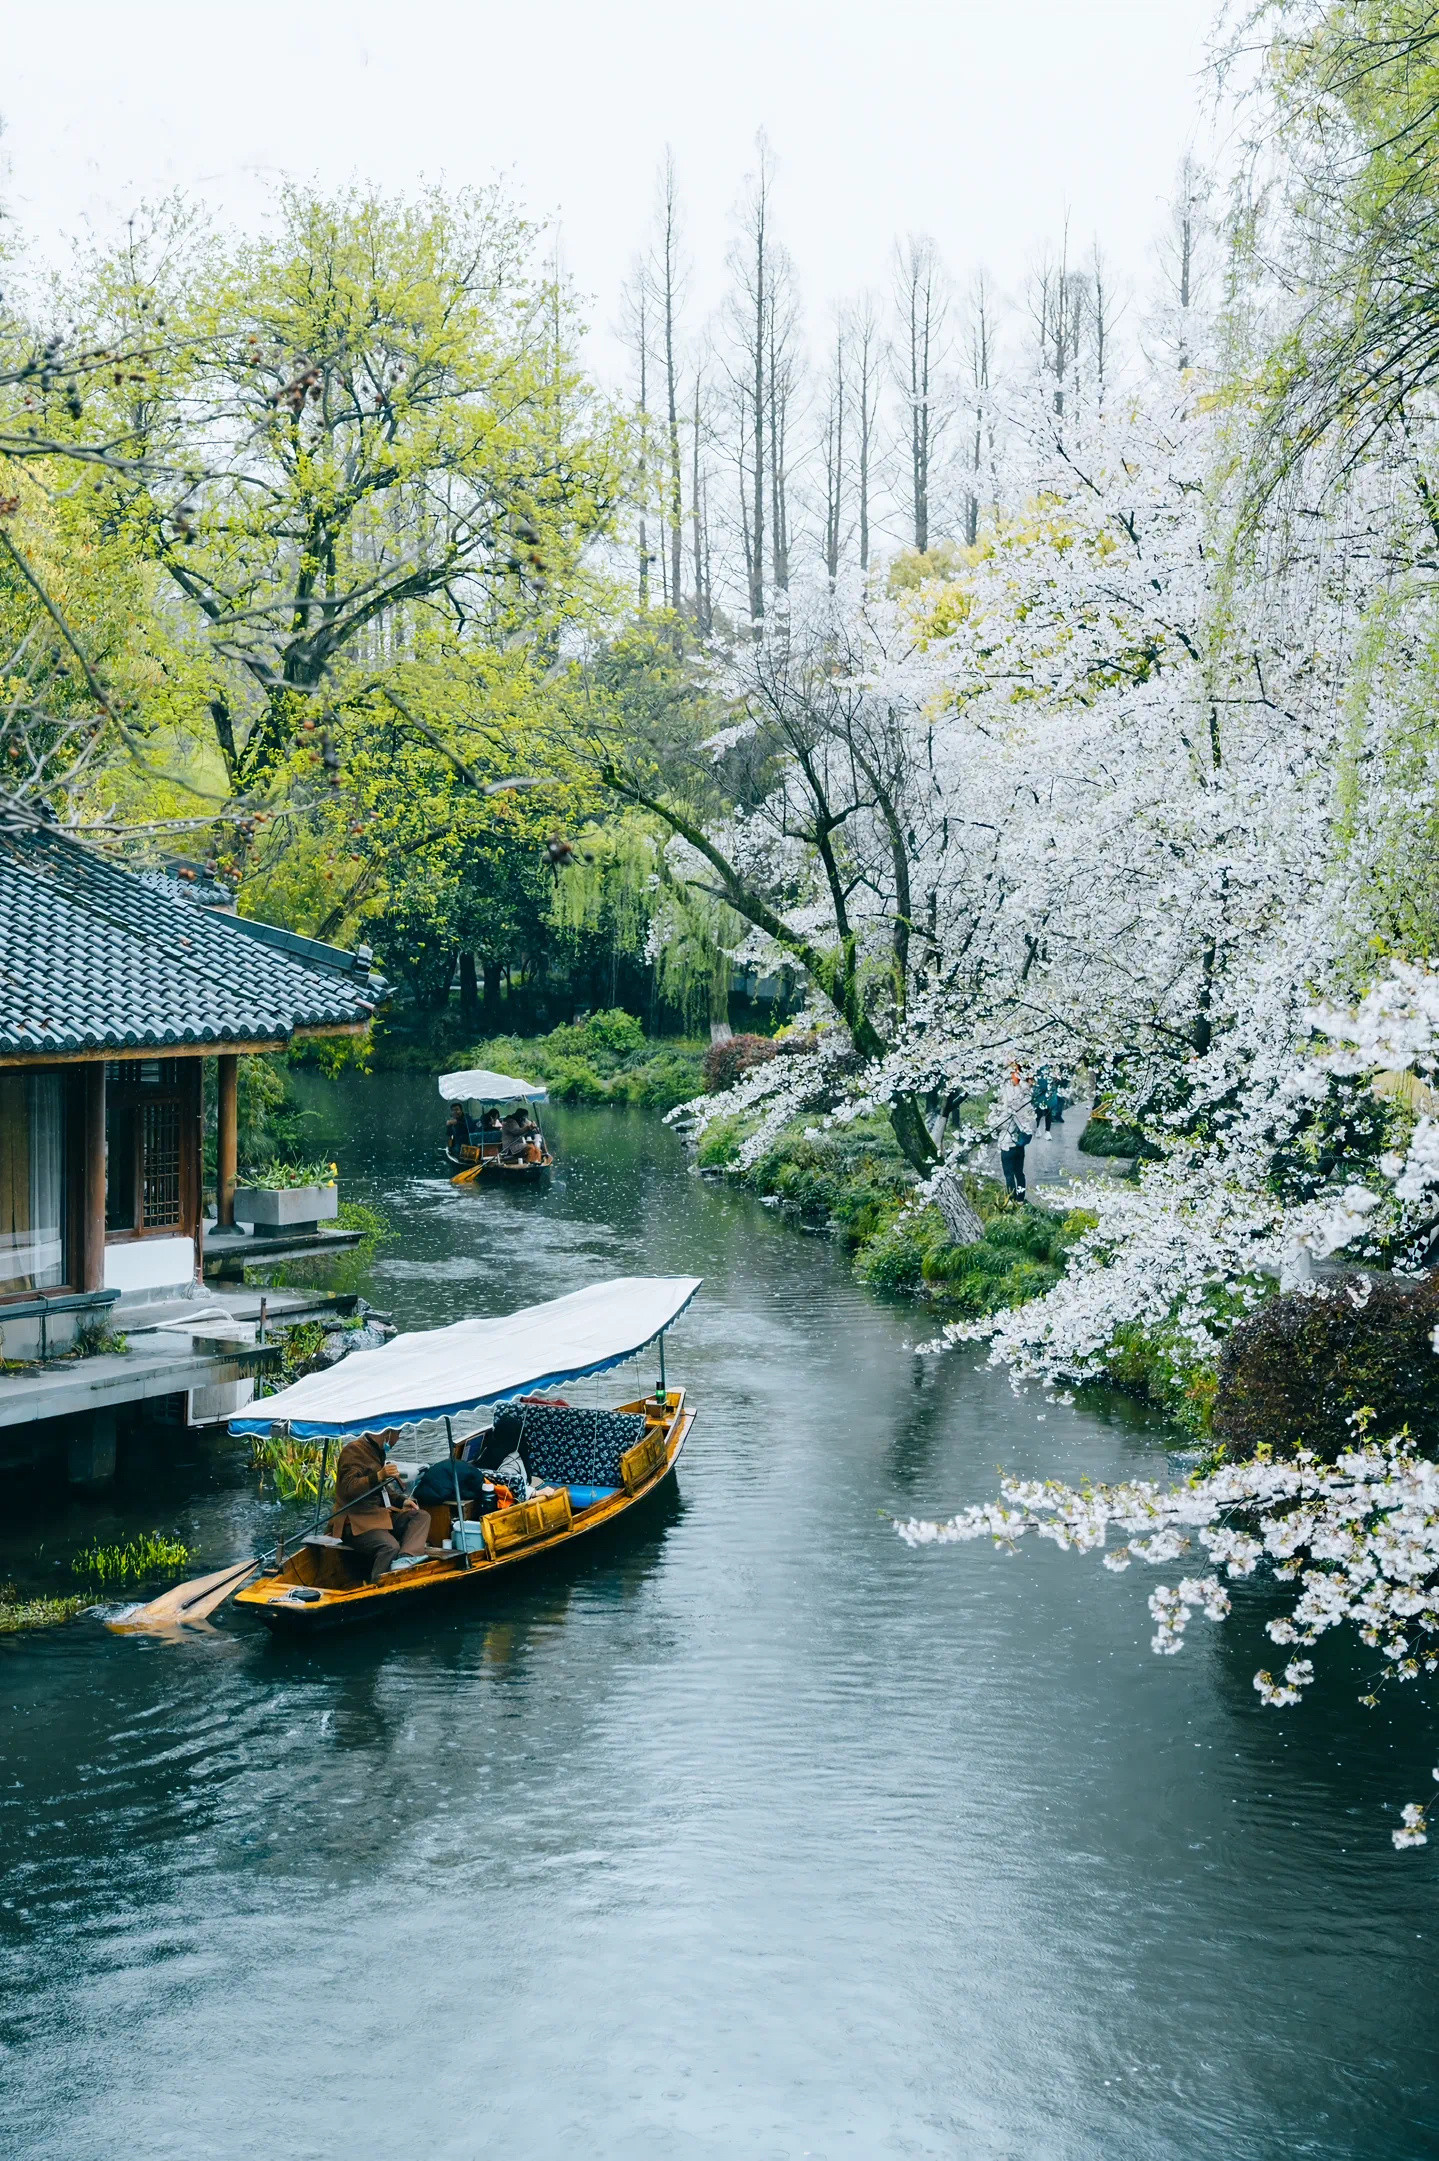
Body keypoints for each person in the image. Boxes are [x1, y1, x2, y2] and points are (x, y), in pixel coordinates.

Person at [331, 1432, 432, 1582]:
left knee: (421, 1516)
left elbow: (382, 1490)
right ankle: (378, 1586)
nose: (397, 1440)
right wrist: (378, 1475)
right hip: (356, 1522)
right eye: (397, 1435)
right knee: (390, 1547)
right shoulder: (353, 1451)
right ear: (388, 1433)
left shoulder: (376, 1451)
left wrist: (401, 1501)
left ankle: (405, 1559)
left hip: (379, 1516)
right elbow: (348, 1488)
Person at [998, 1065, 1037, 1202]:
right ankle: (1020, 1199)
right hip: (1019, 1144)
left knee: (1009, 1174)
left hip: (1008, 1143)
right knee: (1019, 1173)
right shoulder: (1027, 1100)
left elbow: (1002, 1121)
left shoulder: (1012, 1102)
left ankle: (1012, 1199)